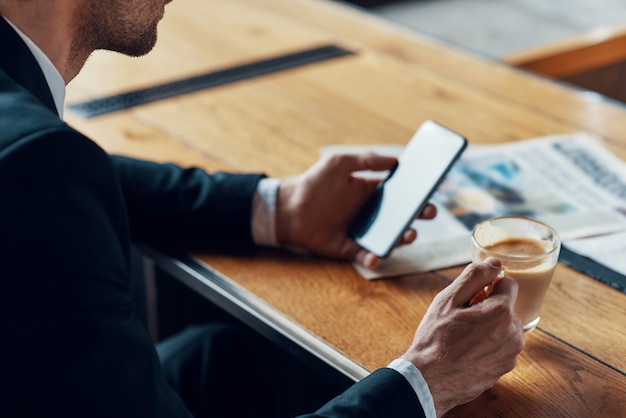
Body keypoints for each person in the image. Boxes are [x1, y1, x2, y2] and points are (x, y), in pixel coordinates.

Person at [0, 0, 525, 417]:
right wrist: (426, 381)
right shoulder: (39, 170)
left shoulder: (34, 154)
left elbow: (74, 176)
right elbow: (44, 178)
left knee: (219, 359)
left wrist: (277, 208)